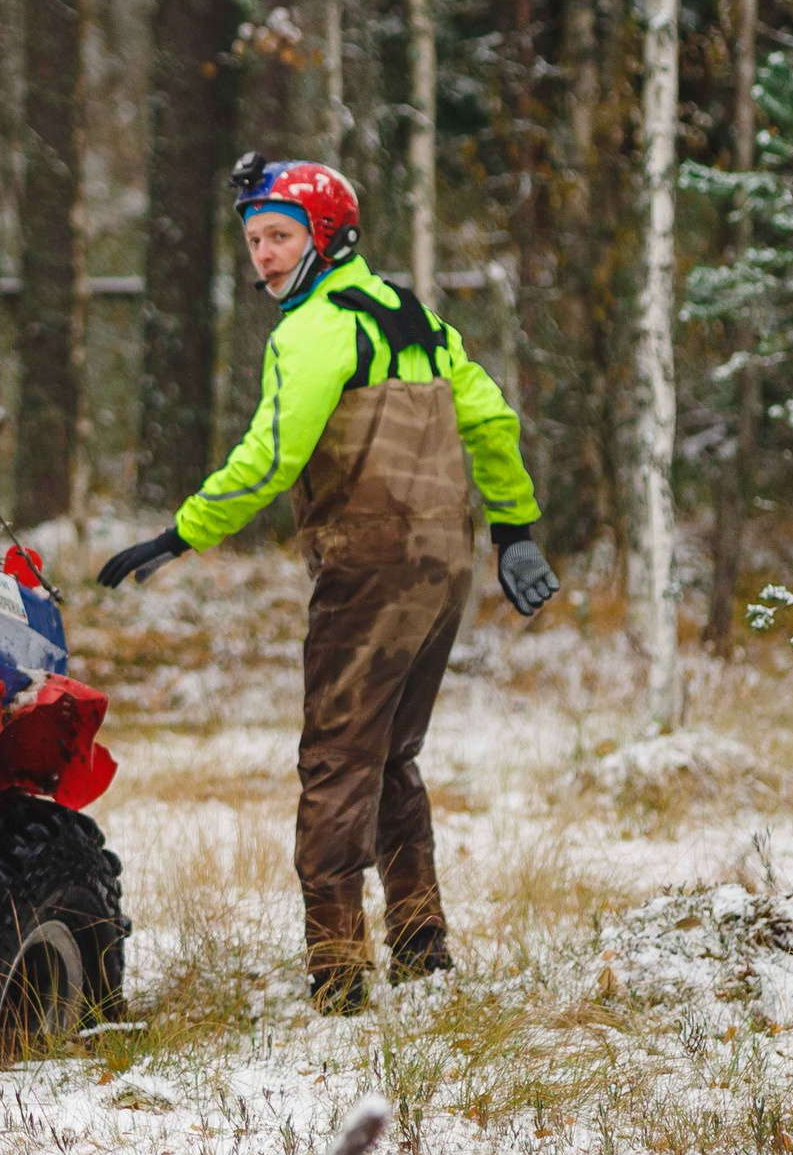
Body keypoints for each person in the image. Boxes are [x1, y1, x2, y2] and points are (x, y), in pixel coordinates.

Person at [97, 155, 561, 1013]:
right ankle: (422, 950)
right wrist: (515, 530)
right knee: (391, 757)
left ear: (328, 236)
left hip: (370, 560)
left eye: (280, 236)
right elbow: (491, 416)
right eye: (253, 240)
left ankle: (339, 974)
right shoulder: (413, 314)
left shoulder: (313, 329)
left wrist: (183, 532)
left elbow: (272, 454)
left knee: (336, 759)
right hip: (444, 561)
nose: (264, 257)